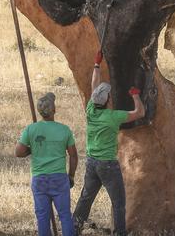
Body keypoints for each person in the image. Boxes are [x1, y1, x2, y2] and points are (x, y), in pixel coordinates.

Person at [72, 60, 145, 236]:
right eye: (110, 97)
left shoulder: (91, 109)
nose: (111, 98)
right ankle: (120, 233)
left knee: (86, 198)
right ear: (107, 101)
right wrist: (135, 96)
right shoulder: (113, 117)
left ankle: (74, 228)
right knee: (118, 202)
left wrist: (96, 64)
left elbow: (94, 84)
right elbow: (140, 113)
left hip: (92, 164)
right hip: (108, 166)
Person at [16, 92, 79, 236]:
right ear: (54, 110)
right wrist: (71, 176)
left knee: (42, 218)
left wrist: (32, 150)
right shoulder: (64, 130)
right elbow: (73, 155)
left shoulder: (31, 129)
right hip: (59, 178)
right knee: (65, 216)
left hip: (39, 179)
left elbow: (18, 152)